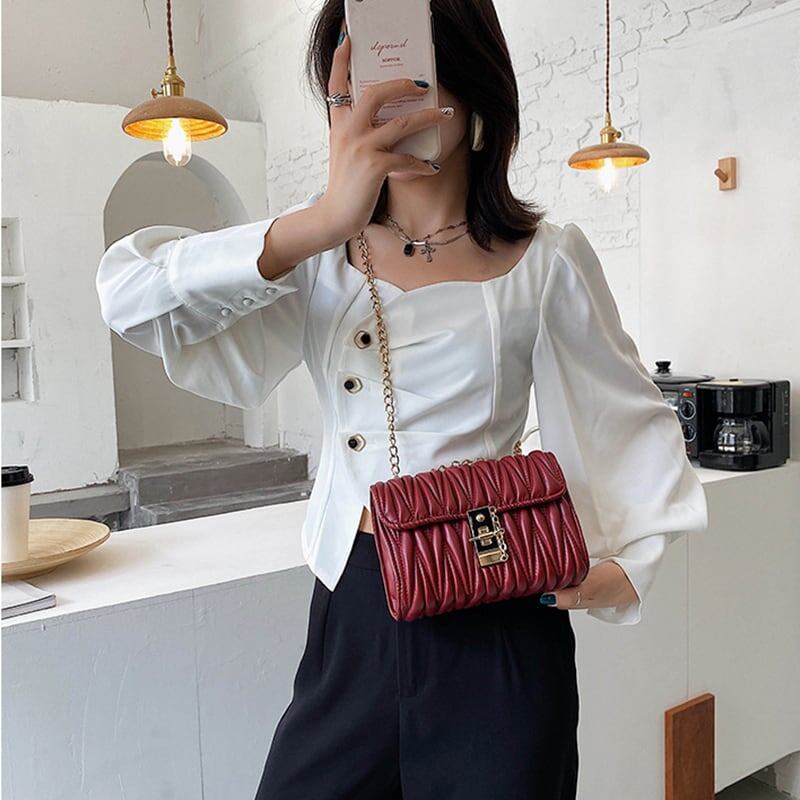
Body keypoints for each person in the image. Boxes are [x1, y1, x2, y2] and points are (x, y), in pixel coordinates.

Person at [95, 1, 708, 797]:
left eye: (411, 71)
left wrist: (628, 563)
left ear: (471, 85)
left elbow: (625, 416)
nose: (386, 104)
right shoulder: (317, 258)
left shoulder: (545, 260)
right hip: (354, 605)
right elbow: (130, 298)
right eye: (356, 86)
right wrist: (322, 218)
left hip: (497, 600)